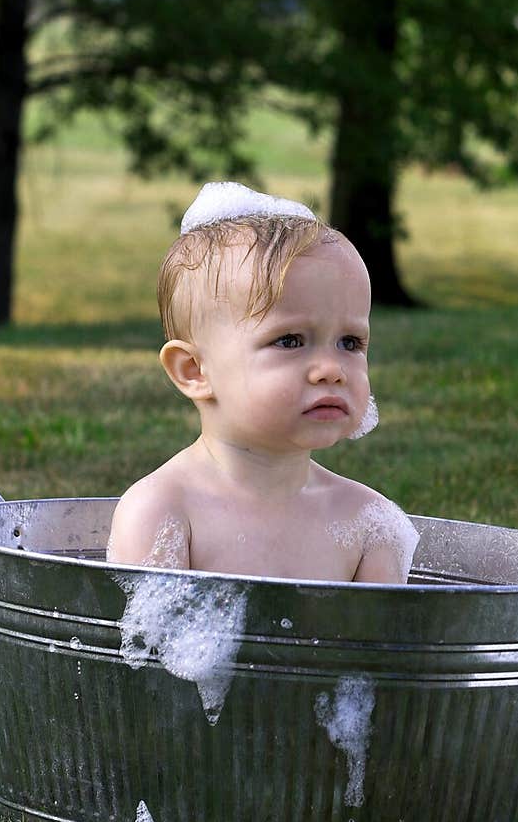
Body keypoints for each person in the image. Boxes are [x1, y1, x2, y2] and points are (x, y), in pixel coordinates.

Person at [106, 181, 419, 583]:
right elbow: (141, 644)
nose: (332, 369)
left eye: (350, 342)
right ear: (194, 371)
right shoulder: (164, 511)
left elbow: (381, 644)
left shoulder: (370, 524)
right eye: (290, 341)